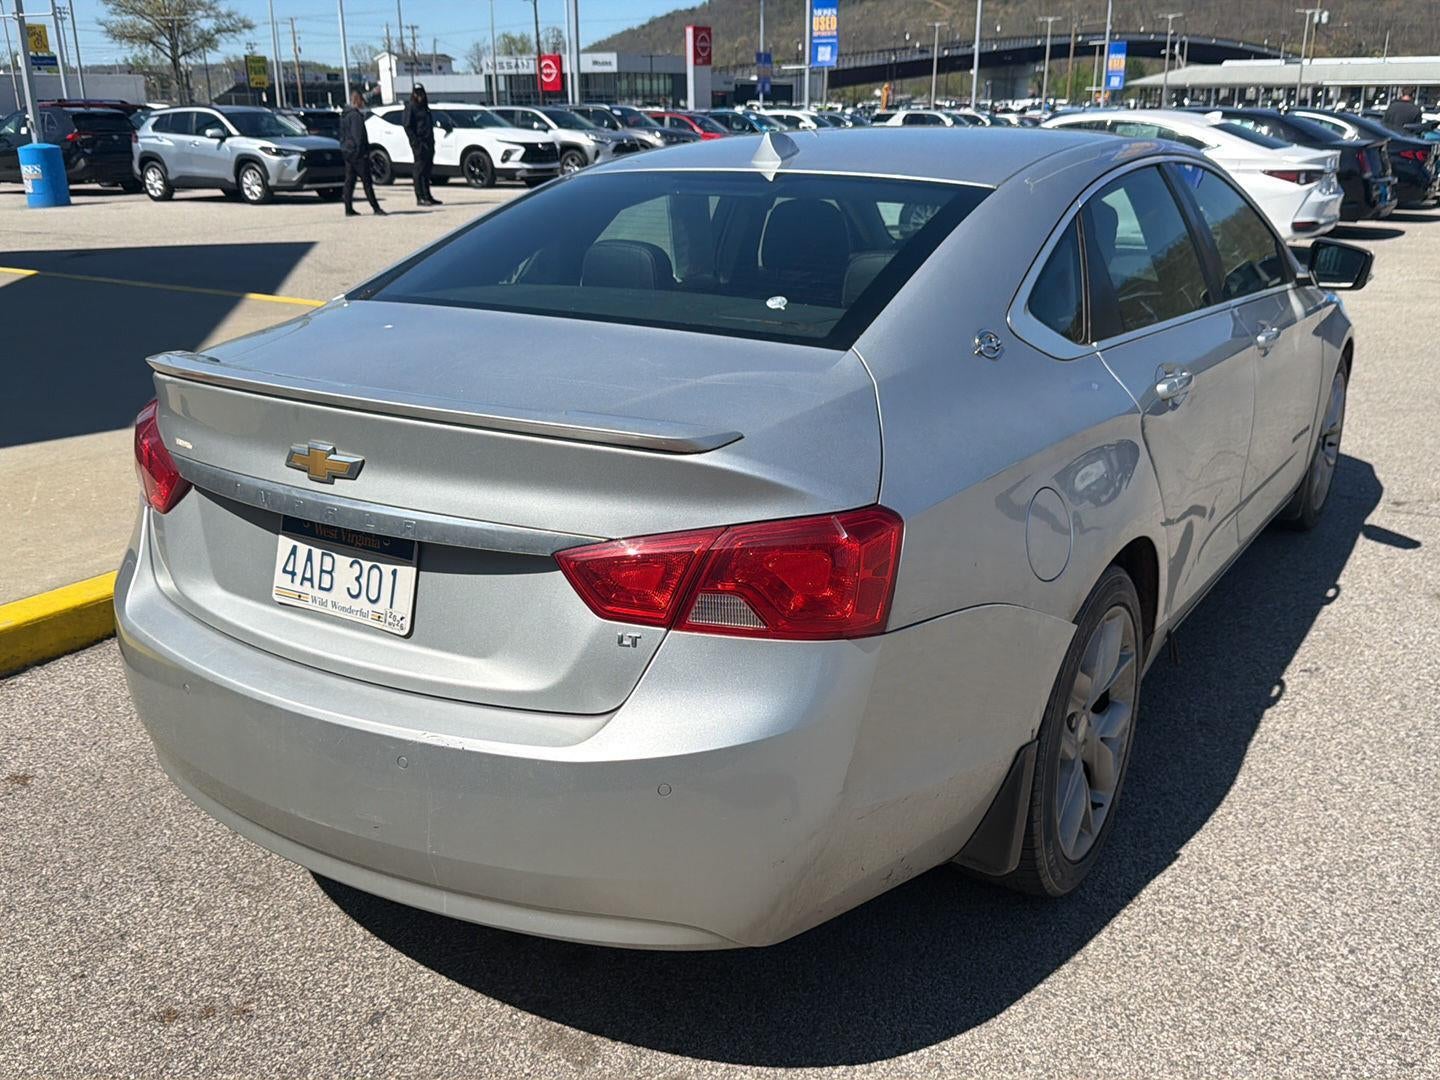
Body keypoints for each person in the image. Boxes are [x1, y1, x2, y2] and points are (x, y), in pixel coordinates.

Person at [339, 89, 385, 217]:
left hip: (348, 152)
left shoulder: (344, 115)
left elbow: (343, 135)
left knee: (350, 181)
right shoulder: (355, 116)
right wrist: (363, 153)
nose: (363, 103)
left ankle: (348, 208)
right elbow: (358, 136)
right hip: (358, 154)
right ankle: (375, 207)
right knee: (367, 182)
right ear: (357, 100)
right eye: (361, 100)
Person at [402, 83, 441, 206]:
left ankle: (427, 195)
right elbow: (407, 126)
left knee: (427, 170)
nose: (420, 96)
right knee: (419, 170)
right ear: (413, 94)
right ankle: (420, 197)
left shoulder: (424, 107)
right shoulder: (411, 107)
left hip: (429, 142)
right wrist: (416, 142)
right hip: (419, 143)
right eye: (417, 93)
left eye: (421, 93)